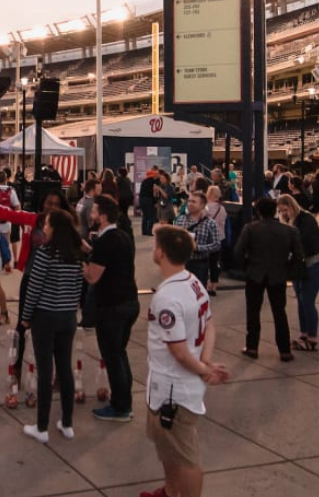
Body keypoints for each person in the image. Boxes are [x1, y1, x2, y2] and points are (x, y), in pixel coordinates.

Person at [143, 225, 228, 497]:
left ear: (161, 252)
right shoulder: (192, 281)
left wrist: (204, 370)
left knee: (186, 457)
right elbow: (210, 324)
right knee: (167, 446)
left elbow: (178, 351)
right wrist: (206, 362)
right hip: (175, 385)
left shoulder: (167, 297)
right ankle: (170, 491)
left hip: (173, 391)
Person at [18, 210, 87, 443]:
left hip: (46, 316)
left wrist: (26, 317)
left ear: (55, 228)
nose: (44, 228)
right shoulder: (75, 254)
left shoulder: (45, 253)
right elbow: (78, 288)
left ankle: (42, 426)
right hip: (67, 316)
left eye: (47, 225)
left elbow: (34, 288)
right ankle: (67, 423)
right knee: (65, 368)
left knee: (45, 370)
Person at [85, 196, 140, 422]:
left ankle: (120, 407)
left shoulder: (105, 242)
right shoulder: (122, 236)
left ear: (103, 217)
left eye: (94, 212)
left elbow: (92, 276)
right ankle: (124, 400)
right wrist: (89, 249)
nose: (90, 215)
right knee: (120, 354)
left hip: (111, 307)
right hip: (129, 302)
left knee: (113, 357)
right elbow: (109, 261)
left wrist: (81, 261)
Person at [233, 197, 304, 362]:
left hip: (255, 273)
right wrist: (286, 268)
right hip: (278, 274)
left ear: (258, 211)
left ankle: (252, 347)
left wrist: (247, 265)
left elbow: (238, 251)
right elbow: (299, 254)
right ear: (275, 211)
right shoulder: (290, 231)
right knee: (279, 312)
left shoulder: (250, 228)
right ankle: (284, 350)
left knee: (253, 311)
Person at [280, 195, 319, 353]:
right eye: (281, 211)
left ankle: (312, 338)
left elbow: (304, 242)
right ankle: (304, 334)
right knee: (301, 300)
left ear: (292, 206)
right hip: (301, 264)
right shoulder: (291, 221)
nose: (283, 213)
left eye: (285, 210)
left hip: (316, 261)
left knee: (307, 300)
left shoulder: (306, 219)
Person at [176, 193, 222, 297]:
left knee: (198, 295)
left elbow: (217, 245)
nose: (190, 204)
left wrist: (198, 247)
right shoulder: (180, 220)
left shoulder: (210, 223)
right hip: (182, 264)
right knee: (181, 294)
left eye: (194, 202)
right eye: (189, 201)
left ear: (202, 205)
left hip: (200, 264)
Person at [140, 169, 161, 236]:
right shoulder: (154, 182)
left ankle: (144, 231)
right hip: (149, 200)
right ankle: (149, 231)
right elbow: (155, 192)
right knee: (151, 216)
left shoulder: (144, 181)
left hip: (142, 199)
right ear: (153, 175)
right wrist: (156, 201)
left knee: (145, 216)